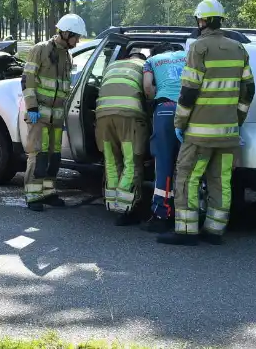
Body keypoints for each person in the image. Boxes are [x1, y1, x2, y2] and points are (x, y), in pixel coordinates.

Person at [158, 0, 255, 246]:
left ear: (203, 21)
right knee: (221, 181)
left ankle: (186, 231)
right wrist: (238, 119)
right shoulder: (239, 49)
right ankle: (215, 230)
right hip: (228, 134)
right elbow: (249, 90)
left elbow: (188, 91)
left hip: (199, 134)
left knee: (188, 177)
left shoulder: (199, 48)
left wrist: (179, 123)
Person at [21, 13, 85, 211]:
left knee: (53, 156)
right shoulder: (39, 50)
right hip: (38, 114)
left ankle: (48, 192)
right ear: (65, 33)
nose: (78, 41)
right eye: (76, 37)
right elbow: (27, 78)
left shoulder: (67, 55)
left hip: (56, 117)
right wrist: (31, 107)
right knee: (37, 154)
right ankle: (33, 196)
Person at [95, 48, 149, 225]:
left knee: (111, 161)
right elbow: (149, 92)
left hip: (103, 118)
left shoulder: (113, 65)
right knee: (131, 162)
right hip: (128, 118)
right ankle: (127, 209)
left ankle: (112, 205)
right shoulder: (145, 66)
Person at [141, 42, 188, 232]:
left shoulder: (151, 61)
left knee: (164, 164)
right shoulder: (187, 55)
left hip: (166, 110)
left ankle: (162, 214)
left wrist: (153, 101)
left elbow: (147, 88)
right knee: (188, 164)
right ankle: (189, 213)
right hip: (190, 111)